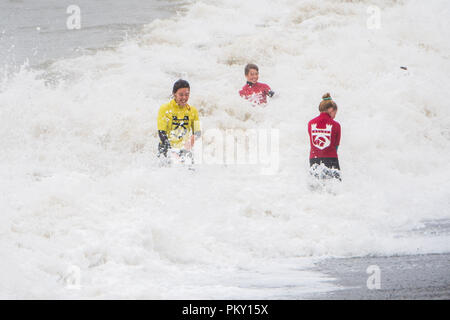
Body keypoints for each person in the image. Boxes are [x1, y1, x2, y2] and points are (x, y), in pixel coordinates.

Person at [157, 79, 201, 164]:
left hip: (184, 149)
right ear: (174, 94)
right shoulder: (164, 109)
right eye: (181, 95)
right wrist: (171, 152)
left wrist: (187, 146)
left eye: (187, 95)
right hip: (166, 148)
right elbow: (161, 132)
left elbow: (198, 133)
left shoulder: (193, 111)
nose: (184, 98)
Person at [307, 93, 341, 180]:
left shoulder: (310, 123)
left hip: (314, 159)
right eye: (335, 113)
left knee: (315, 187)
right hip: (331, 159)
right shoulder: (336, 125)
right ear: (331, 109)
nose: (334, 116)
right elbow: (336, 145)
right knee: (334, 188)